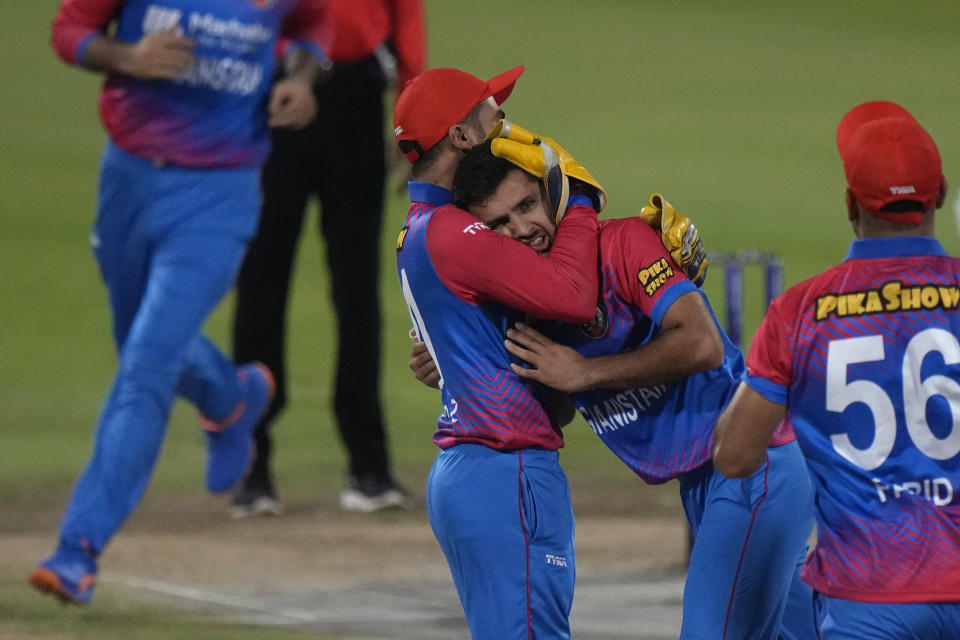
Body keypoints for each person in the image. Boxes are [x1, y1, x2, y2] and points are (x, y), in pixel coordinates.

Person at [414, 132, 817, 639]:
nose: (523, 229)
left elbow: (702, 343)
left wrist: (585, 372)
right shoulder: (534, 300)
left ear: (550, 192)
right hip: (707, 481)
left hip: (755, 467)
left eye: (527, 205)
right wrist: (456, 364)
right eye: (500, 224)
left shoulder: (624, 242)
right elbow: (554, 405)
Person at [32, 0, 328, 605]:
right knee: (139, 341)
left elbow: (315, 24)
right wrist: (128, 56)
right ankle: (231, 397)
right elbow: (70, 30)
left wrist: (300, 78)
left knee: (145, 363)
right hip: (128, 179)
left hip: (221, 193)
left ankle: (77, 550)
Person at [712, 101, 960, 638]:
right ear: (940, 194)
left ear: (850, 204)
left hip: (865, 595)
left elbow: (733, 457)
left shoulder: (800, 312)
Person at [394, 67, 610, 639]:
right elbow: (571, 294)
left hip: (475, 474)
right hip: (505, 473)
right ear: (462, 136)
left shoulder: (423, 226)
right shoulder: (449, 233)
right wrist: (580, 196)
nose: (505, 125)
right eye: (493, 115)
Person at [230, 0, 426, 519]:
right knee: (260, 281)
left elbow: (405, 19)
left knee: (357, 288)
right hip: (269, 89)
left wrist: (413, 128)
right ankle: (251, 464)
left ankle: (369, 465)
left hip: (356, 93)